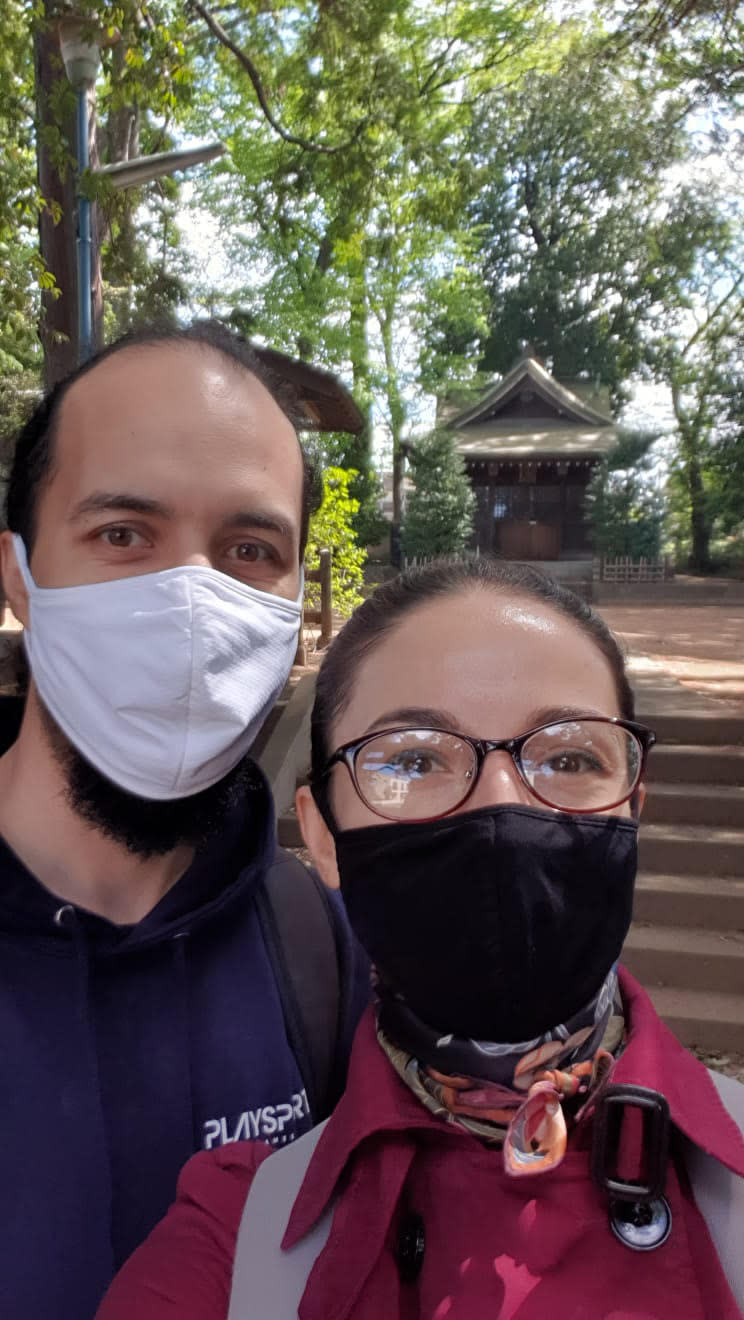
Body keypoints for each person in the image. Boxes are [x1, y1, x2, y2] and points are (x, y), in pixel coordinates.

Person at [97, 556, 744, 1320]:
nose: (501, 803)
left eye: (569, 758)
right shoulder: (235, 1238)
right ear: (323, 835)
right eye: (412, 759)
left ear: (633, 806)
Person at [0, 322, 367, 1319]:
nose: (193, 600)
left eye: (251, 550)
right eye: (123, 534)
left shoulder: (328, 959)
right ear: (18, 575)